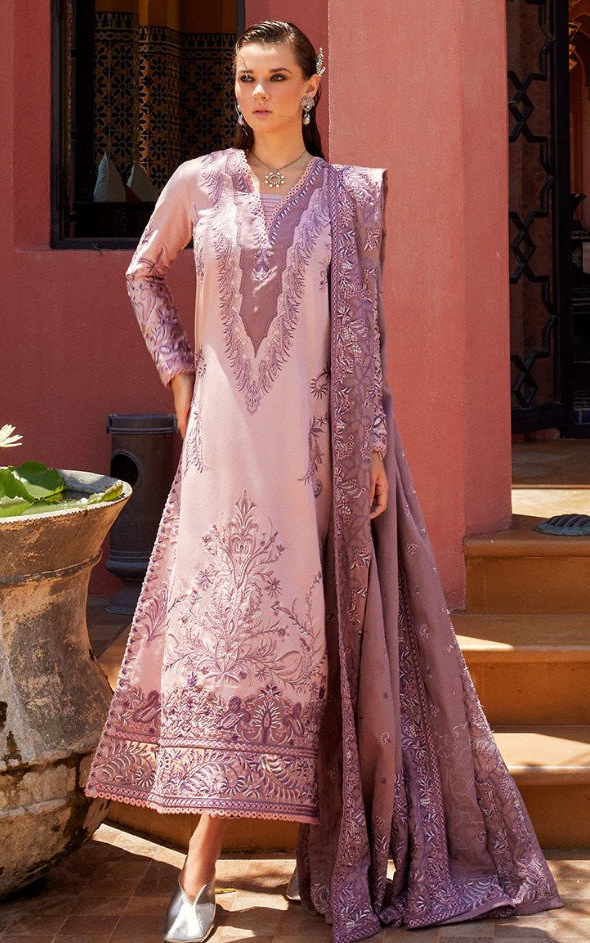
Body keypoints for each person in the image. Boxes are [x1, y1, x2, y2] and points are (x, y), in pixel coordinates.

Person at [85, 19, 563, 943]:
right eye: (245, 78)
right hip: (224, 449)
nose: (257, 94)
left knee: (308, 641)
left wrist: (373, 444)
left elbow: (364, 335)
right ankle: (198, 867)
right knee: (223, 640)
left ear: (313, 85)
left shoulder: (348, 196)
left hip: (316, 454)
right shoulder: (200, 182)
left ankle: (334, 851)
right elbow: (145, 272)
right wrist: (178, 371)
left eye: (276, 77)